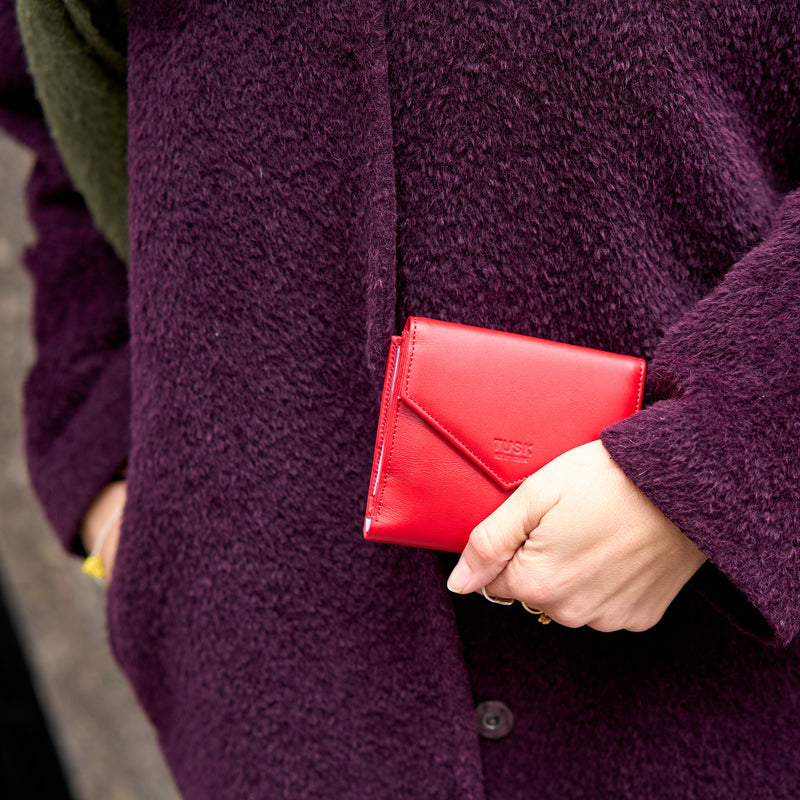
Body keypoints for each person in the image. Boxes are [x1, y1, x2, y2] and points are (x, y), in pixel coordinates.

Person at [2, 1, 799, 797]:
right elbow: (69, 127)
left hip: (716, 663)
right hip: (288, 689)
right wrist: (114, 472)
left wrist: (716, 458)